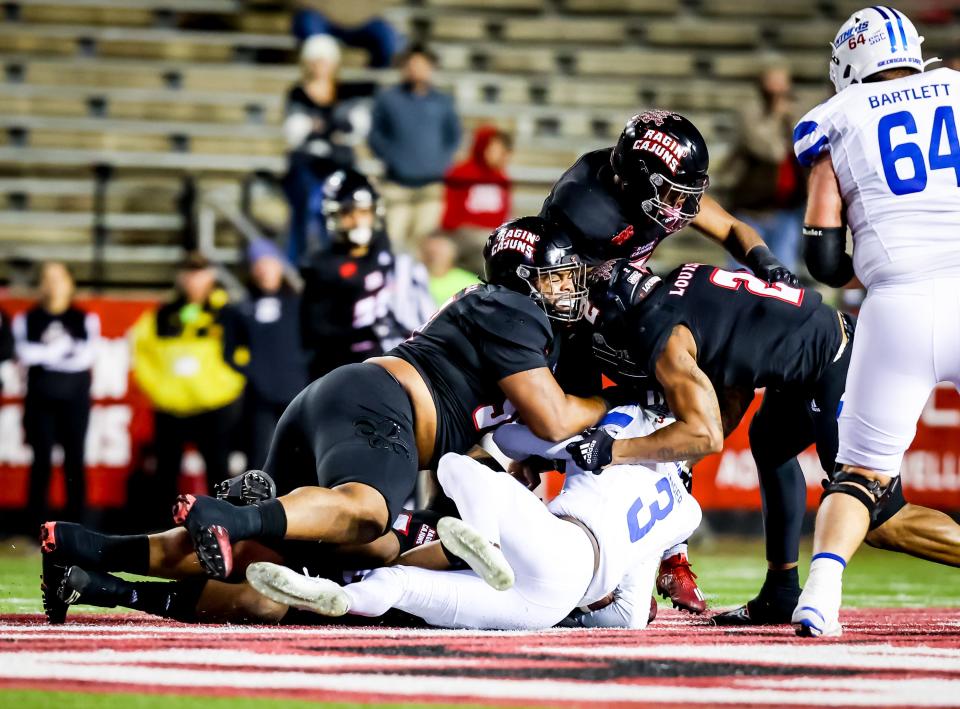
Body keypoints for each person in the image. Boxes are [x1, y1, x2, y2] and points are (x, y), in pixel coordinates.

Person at [36, 215, 612, 630]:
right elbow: (552, 415)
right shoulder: (511, 308)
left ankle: (91, 556)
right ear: (524, 278)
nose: (564, 287)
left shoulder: (495, 309)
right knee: (366, 513)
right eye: (555, 276)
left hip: (350, 402)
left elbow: (491, 441)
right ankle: (236, 515)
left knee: (265, 590)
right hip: (384, 408)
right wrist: (612, 406)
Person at [569, 257, 960, 627]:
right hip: (812, 347)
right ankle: (781, 591)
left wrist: (614, 451)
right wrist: (680, 462)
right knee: (770, 442)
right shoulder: (683, 284)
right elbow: (734, 383)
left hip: (834, 361)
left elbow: (704, 436)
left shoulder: (661, 333)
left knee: (878, 518)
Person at [540, 110, 799, 613]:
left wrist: (768, 265)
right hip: (574, 320)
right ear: (638, 181)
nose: (684, 207)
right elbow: (569, 297)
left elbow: (727, 227)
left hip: (624, 301)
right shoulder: (588, 212)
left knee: (701, 393)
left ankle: (663, 546)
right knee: (611, 423)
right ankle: (600, 555)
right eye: (675, 194)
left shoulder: (646, 192)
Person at [790, 8, 960, 637]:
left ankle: (821, 594)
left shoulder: (834, 121)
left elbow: (824, 259)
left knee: (860, 472)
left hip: (898, 306)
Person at [246, 405, 701, 630]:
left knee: (458, 466)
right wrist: (575, 614)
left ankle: (486, 545)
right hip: (550, 605)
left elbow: (511, 438)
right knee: (400, 585)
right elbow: (628, 617)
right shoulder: (685, 511)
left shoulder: (626, 429)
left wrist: (533, 455)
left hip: (562, 546)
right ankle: (337, 596)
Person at [130, 252, 245, 524]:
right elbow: (141, 353)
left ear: (212, 276)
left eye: (200, 272)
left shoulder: (227, 314)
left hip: (215, 405)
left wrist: (224, 387)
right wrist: (160, 390)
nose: (194, 280)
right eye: (189, 273)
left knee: (219, 472)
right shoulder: (162, 315)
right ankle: (164, 535)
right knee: (165, 475)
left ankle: (227, 528)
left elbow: (243, 355)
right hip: (172, 407)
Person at [298, 169, 407, 379]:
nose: (358, 221)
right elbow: (315, 332)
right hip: (342, 369)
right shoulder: (322, 266)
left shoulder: (393, 259)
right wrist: (365, 333)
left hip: (389, 366)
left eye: (364, 212)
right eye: (349, 213)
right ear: (335, 215)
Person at [13, 262, 99, 527]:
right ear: (40, 285)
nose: (53, 285)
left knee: (75, 461)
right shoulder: (27, 319)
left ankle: (78, 527)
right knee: (41, 463)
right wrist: (63, 350)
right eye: (47, 279)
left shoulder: (84, 318)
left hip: (75, 400)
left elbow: (85, 357)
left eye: (59, 278)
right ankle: (34, 528)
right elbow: (25, 354)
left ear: (70, 283)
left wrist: (47, 355)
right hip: (40, 399)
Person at [368, 44, 461, 254]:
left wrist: (440, 162)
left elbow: (453, 136)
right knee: (391, 239)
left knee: (423, 244)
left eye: (422, 64)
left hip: (430, 185)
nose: (416, 69)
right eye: (411, 64)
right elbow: (375, 136)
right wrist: (393, 159)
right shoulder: (388, 99)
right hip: (395, 184)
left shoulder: (443, 101)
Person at [282, 34, 367, 261]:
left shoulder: (347, 92)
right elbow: (295, 133)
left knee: (342, 217)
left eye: (325, 60)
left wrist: (322, 128)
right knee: (306, 213)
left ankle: (340, 264)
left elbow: (356, 128)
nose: (320, 66)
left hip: (340, 166)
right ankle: (299, 264)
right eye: (316, 60)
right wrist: (330, 129)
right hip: (308, 167)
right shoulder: (298, 93)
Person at [235, 239, 309, 469]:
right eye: (258, 265)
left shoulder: (299, 303)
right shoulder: (242, 307)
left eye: (269, 264)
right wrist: (252, 373)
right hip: (260, 395)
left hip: (296, 389)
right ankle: (258, 503)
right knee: (258, 454)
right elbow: (230, 350)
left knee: (300, 453)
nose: (264, 272)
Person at [727, 66, 806, 272]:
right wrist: (776, 118)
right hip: (752, 208)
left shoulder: (796, 111)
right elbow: (771, 151)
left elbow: (804, 146)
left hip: (787, 208)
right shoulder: (750, 113)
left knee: (784, 272)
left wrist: (789, 119)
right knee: (744, 272)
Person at [441, 125, 513, 275]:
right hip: (464, 232)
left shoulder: (502, 178)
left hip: (492, 234)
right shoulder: (462, 173)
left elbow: (504, 214)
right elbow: (451, 216)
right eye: (494, 148)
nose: (499, 154)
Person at [291, 1, 400, 69]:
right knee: (309, 24)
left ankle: (370, 87)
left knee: (388, 37)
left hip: (364, 20)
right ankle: (318, 86)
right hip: (322, 17)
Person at [419, 233, 479, 305]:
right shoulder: (416, 279)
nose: (435, 259)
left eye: (440, 253)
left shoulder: (470, 283)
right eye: (430, 253)